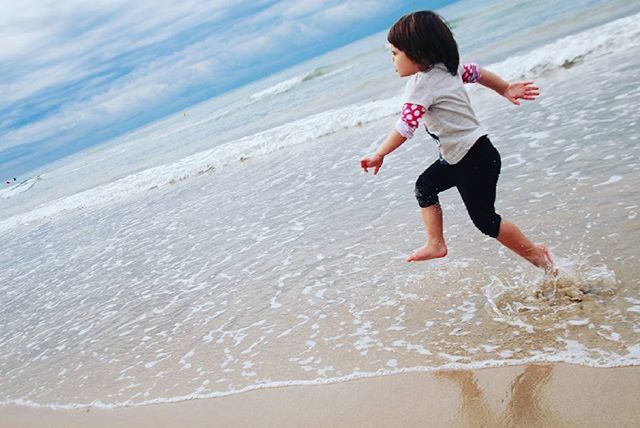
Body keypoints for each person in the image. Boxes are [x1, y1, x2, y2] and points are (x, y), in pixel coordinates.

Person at [360, 11, 555, 273]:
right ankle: (436, 244)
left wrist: (379, 153)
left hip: (473, 159)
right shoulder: (448, 68)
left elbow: (405, 127)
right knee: (425, 187)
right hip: (466, 155)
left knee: (486, 221)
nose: (392, 60)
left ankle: (536, 255)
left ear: (417, 53)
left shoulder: (422, 86)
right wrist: (504, 88)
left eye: (395, 53)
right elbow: (477, 73)